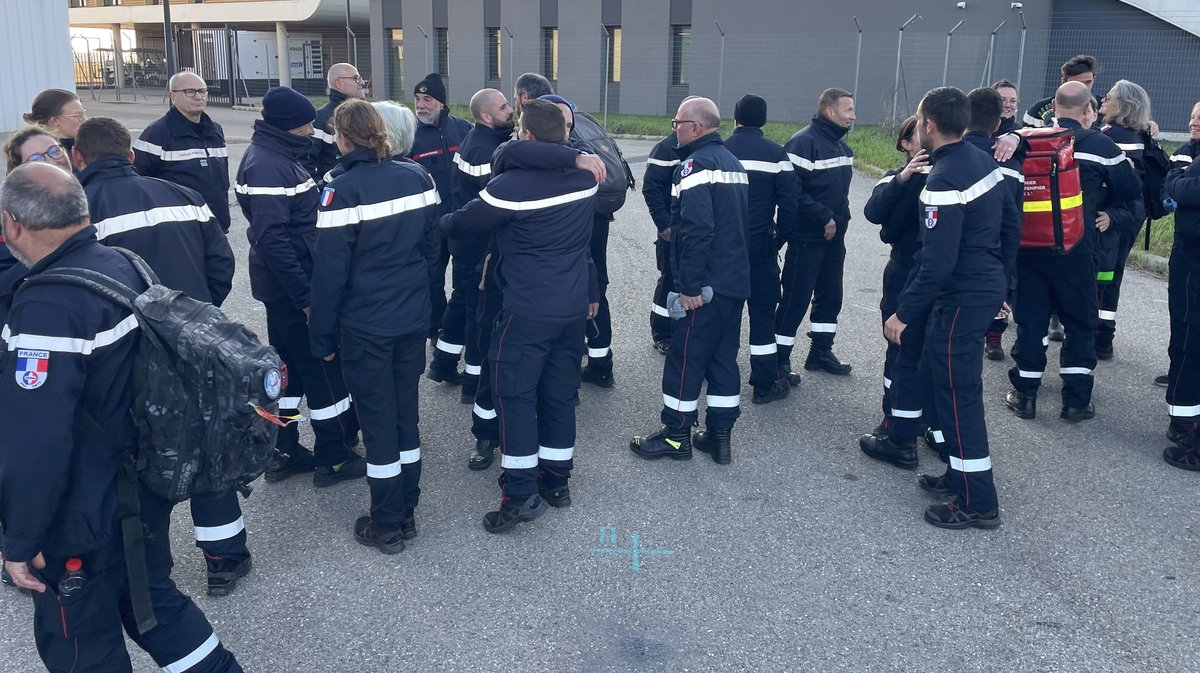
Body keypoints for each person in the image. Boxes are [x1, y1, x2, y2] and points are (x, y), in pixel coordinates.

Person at [0, 161, 244, 672]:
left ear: (13, 223)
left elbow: (36, 442)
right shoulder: (123, 264)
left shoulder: (48, 306)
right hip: (140, 485)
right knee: (151, 603)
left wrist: (20, 539)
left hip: (83, 509)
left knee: (76, 638)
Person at [73, 117, 251, 596]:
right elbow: (220, 262)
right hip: (194, 344)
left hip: (126, 354)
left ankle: (151, 572)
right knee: (209, 446)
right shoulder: (184, 196)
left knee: (141, 456)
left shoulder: (79, 211)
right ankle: (224, 560)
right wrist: (200, 314)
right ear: (131, 155)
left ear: (78, 159)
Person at [440, 99, 599, 532]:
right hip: (569, 310)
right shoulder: (586, 177)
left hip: (525, 311)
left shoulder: (510, 188)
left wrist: (435, 222)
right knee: (559, 396)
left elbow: (463, 224)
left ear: (525, 136)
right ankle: (557, 482)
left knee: (515, 398)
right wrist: (571, 153)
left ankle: (520, 493)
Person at [310, 99, 440, 553]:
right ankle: (407, 508)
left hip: (366, 327)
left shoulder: (341, 191)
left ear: (342, 138)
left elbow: (329, 275)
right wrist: (431, 313)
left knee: (380, 423)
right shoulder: (418, 177)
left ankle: (386, 521)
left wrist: (322, 337)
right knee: (406, 414)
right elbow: (431, 252)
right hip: (410, 318)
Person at [876, 87, 1008, 529]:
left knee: (957, 394)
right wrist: (1005, 281)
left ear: (928, 125)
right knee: (944, 385)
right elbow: (1011, 222)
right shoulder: (982, 160)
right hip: (981, 285)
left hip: (961, 295)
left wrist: (903, 313)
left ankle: (977, 501)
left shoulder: (943, 179)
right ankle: (959, 473)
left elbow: (936, 263)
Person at [235, 86, 363, 487]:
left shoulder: (277, 156)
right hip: (294, 292)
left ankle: (283, 449)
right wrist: (307, 298)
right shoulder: (269, 166)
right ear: (287, 126)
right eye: (306, 124)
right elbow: (273, 239)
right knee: (322, 371)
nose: (312, 131)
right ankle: (335, 456)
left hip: (284, 291)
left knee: (288, 375)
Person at [1004, 82, 1141, 422]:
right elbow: (1131, 188)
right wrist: (1107, 210)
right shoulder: (1101, 146)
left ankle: (1025, 395)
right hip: (1078, 248)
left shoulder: (1025, 140)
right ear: (1088, 111)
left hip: (1030, 247)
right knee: (1080, 322)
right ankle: (1076, 401)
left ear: (1053, 106)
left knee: (1031, 321)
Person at [629, 97, 750, 465]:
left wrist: (690, 287)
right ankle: (719, 436)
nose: (674, 129)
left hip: (706, 287)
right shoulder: (732, 162)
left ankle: (677, 436)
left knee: (685, 359)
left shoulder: (694, 166)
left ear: (696, 127)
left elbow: (697, 230)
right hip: (732, 282)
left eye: (677, 123)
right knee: (723, 361)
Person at [450, 89, 517, 470]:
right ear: (487, 117)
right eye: (505, 108)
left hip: (482, 255)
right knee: (483, 330)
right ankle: (476, 392)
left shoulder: (489, 141)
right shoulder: (482, 151)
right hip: (481, 258)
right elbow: (491, 206)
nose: (511, 111)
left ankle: (476, 390)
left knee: (482, 327)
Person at [540, 93, 620, 389]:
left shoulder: (575, 157)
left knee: (591, 289)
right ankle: (600, 363)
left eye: (569, 125)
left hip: (589, 225)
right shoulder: (583, 149)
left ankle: (594, 365)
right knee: (595, 286)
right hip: (596, 222)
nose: (567, 131)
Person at [723, 93, 798, 404]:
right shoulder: (777, 155)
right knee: (763, 317)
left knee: (723, 317)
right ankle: (765, 383)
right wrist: (776, 239)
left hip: (724, 252)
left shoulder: (719, 151)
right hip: (761, 250)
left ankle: (717, 377)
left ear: (735, 119)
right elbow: (791, 207)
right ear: (764, 121)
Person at [777, 88, 856, 379]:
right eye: (848, 110)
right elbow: (790, 193)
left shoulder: (841, 147)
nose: (853, 116)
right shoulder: (802, 143)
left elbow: (840, 194)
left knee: (830, 295)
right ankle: (779, 360)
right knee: (795, 299)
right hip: (807, 237)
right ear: (829, 111)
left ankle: (820, 352)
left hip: (834, 239)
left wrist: (839, 220)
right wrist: (823, 217)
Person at [861, 115, 928, 438]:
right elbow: (874, 213)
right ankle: (893, 413)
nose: (926, 139)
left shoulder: (947, 174)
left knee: (926, 350)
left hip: (932, 273)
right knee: (898, 345)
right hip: (902, 271)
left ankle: (925, 419)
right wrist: (904, 178)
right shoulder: (895, 178)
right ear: (906, 144)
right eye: (919, 135)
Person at [410, 73, 472, 375]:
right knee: (432, 280)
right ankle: (436, 332)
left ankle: (456, 335)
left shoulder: (463, 129)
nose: (422, 105)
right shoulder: (410, 136)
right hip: (430, 226)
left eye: (428, 99)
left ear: (441, 102)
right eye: (418, 99)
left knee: (464, 284)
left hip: (461, 222)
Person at [963, 88, 1024, 363]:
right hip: (991, 257)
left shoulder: (945, 157)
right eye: (1004, 101)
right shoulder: (1011, 163)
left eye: (1013, 101)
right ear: (996, 122)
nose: (1009, 105)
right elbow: (1013, 226)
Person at [1095, 80, 1153, 360]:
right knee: (1112, 274)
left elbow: (1118, 188)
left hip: (1111, 219)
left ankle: (1098, 335)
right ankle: (1104, 333)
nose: (1103, 100)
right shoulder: (1138, 134)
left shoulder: (1112, 135)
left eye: (1109, 97)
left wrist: (1110, 215)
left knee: (1102, 275)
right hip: (1128, 219)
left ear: (1123, 105)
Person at [133, 71, 232, 232]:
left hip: (216, 225)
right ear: (173, 96)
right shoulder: (157, 133)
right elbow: (137, 180)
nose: (198, 97)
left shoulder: (215, 130)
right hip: (180, 229)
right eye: (190, 92)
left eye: (202, 91)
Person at [1163, 99, 1200, 469]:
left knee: (1191, 342)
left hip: (1194, 266)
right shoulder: (1189, 153)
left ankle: (1189, 430)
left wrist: (1177, 180)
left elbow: (1184, 191)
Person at [643, 130, 679, 354]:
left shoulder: (703, 147)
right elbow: (651, 189)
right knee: (669, 282)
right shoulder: (665, 149)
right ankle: (662, 334)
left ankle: (683, 330)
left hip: (694, 233)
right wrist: (664, 226)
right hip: (671, 232)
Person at [304, 62, 365, 183]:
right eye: (356, 78)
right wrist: (322, 189)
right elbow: (306, 161)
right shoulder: (320, 119)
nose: (362, 82)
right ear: (339, 83)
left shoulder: (365, 114)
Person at [1023, 55, 1100, 128]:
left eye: (1088, 82)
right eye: (1076, 83)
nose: (1083, 87)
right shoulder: (1038, 110)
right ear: (1064, 82)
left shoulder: (1102, 108)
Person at [23, 88, 87, 154]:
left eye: (82, 114)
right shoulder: (48, 157)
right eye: (77, 115)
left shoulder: (85, 144)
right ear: (54, 121)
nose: (85, 120)